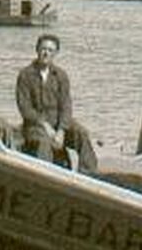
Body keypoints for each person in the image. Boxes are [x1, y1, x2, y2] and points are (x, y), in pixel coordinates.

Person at [15, 34, 97, 172]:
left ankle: (89, 175)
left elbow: (66, 106)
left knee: (81, 134)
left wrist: (62, 130)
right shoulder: (25, 75)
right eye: (43, 49)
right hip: (36, 125)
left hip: (58, 123)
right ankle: (47, 177)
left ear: (56, 53)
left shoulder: (60, 76)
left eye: (50, 50)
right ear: (37, 50)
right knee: (44, 143)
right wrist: (44, 125)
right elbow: (25, 108)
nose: (46, 53)